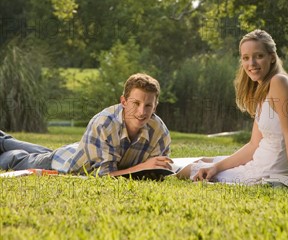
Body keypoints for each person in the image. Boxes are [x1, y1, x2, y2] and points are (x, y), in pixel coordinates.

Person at [180, 29, 288, 184]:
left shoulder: (279, 82)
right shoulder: (264, 91)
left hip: (265, 173)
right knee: (205, 161)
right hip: (258, 163)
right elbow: (253, 145)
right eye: (245, 58)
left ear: (272, 57)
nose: (251, 63)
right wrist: (216, 167)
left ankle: (160, 177)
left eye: (259, 56)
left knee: (191, 169)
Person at [0, 73, 172, 176]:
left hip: (77, 150)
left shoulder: (159, 132)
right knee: (17, 158)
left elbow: (160, 170)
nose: (142, 112)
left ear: (155, 106)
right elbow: (104, 176)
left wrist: (194, 168)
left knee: (19, 145)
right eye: (136, 103)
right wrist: (143, 167)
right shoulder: (105, 123)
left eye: (148, 105)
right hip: (66, 163)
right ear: (124, 102)